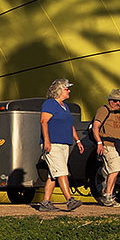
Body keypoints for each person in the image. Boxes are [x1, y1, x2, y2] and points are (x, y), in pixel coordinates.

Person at [37, 79, 84, 212]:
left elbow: (70, 125)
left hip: (64, 144)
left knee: (54, 174)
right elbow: (43, 121)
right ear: (59, 90)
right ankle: (69, 199)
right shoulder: (50, 104)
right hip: (53, 144)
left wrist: (78, 140)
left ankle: (45, 202)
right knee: (62, 171)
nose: (69, 91)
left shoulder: (65, 106)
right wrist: (47, 140)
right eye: (66, 89)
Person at [91, 88, 120, 207]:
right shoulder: (103, 110)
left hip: (117, 145)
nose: (118, 103)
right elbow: (95, 126)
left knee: (115, 170)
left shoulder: (119, 114)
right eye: (115, 101)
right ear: (110, 101)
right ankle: (107, 195)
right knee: (114, 169)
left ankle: (108, 194)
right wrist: (99, 143)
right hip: (108, 144)